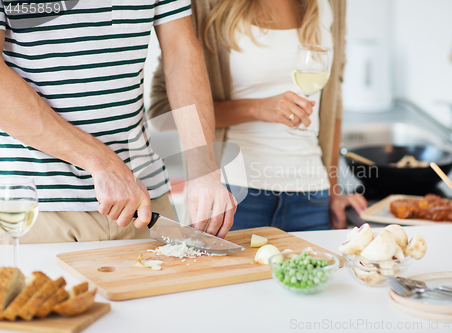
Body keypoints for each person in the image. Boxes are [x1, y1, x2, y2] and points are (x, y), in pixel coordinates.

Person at [0, 0, 235, 244]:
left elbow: (181, 51)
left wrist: (204, 173)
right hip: (33, 207)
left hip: (144, 202)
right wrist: (99, 161)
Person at [150, 0, 367, 231]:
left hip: (313, 195)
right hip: (234, 196)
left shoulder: (333, 4)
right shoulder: (205, 5)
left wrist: (335, 189)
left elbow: (334, 104)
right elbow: (162, 111)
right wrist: (256, 108)